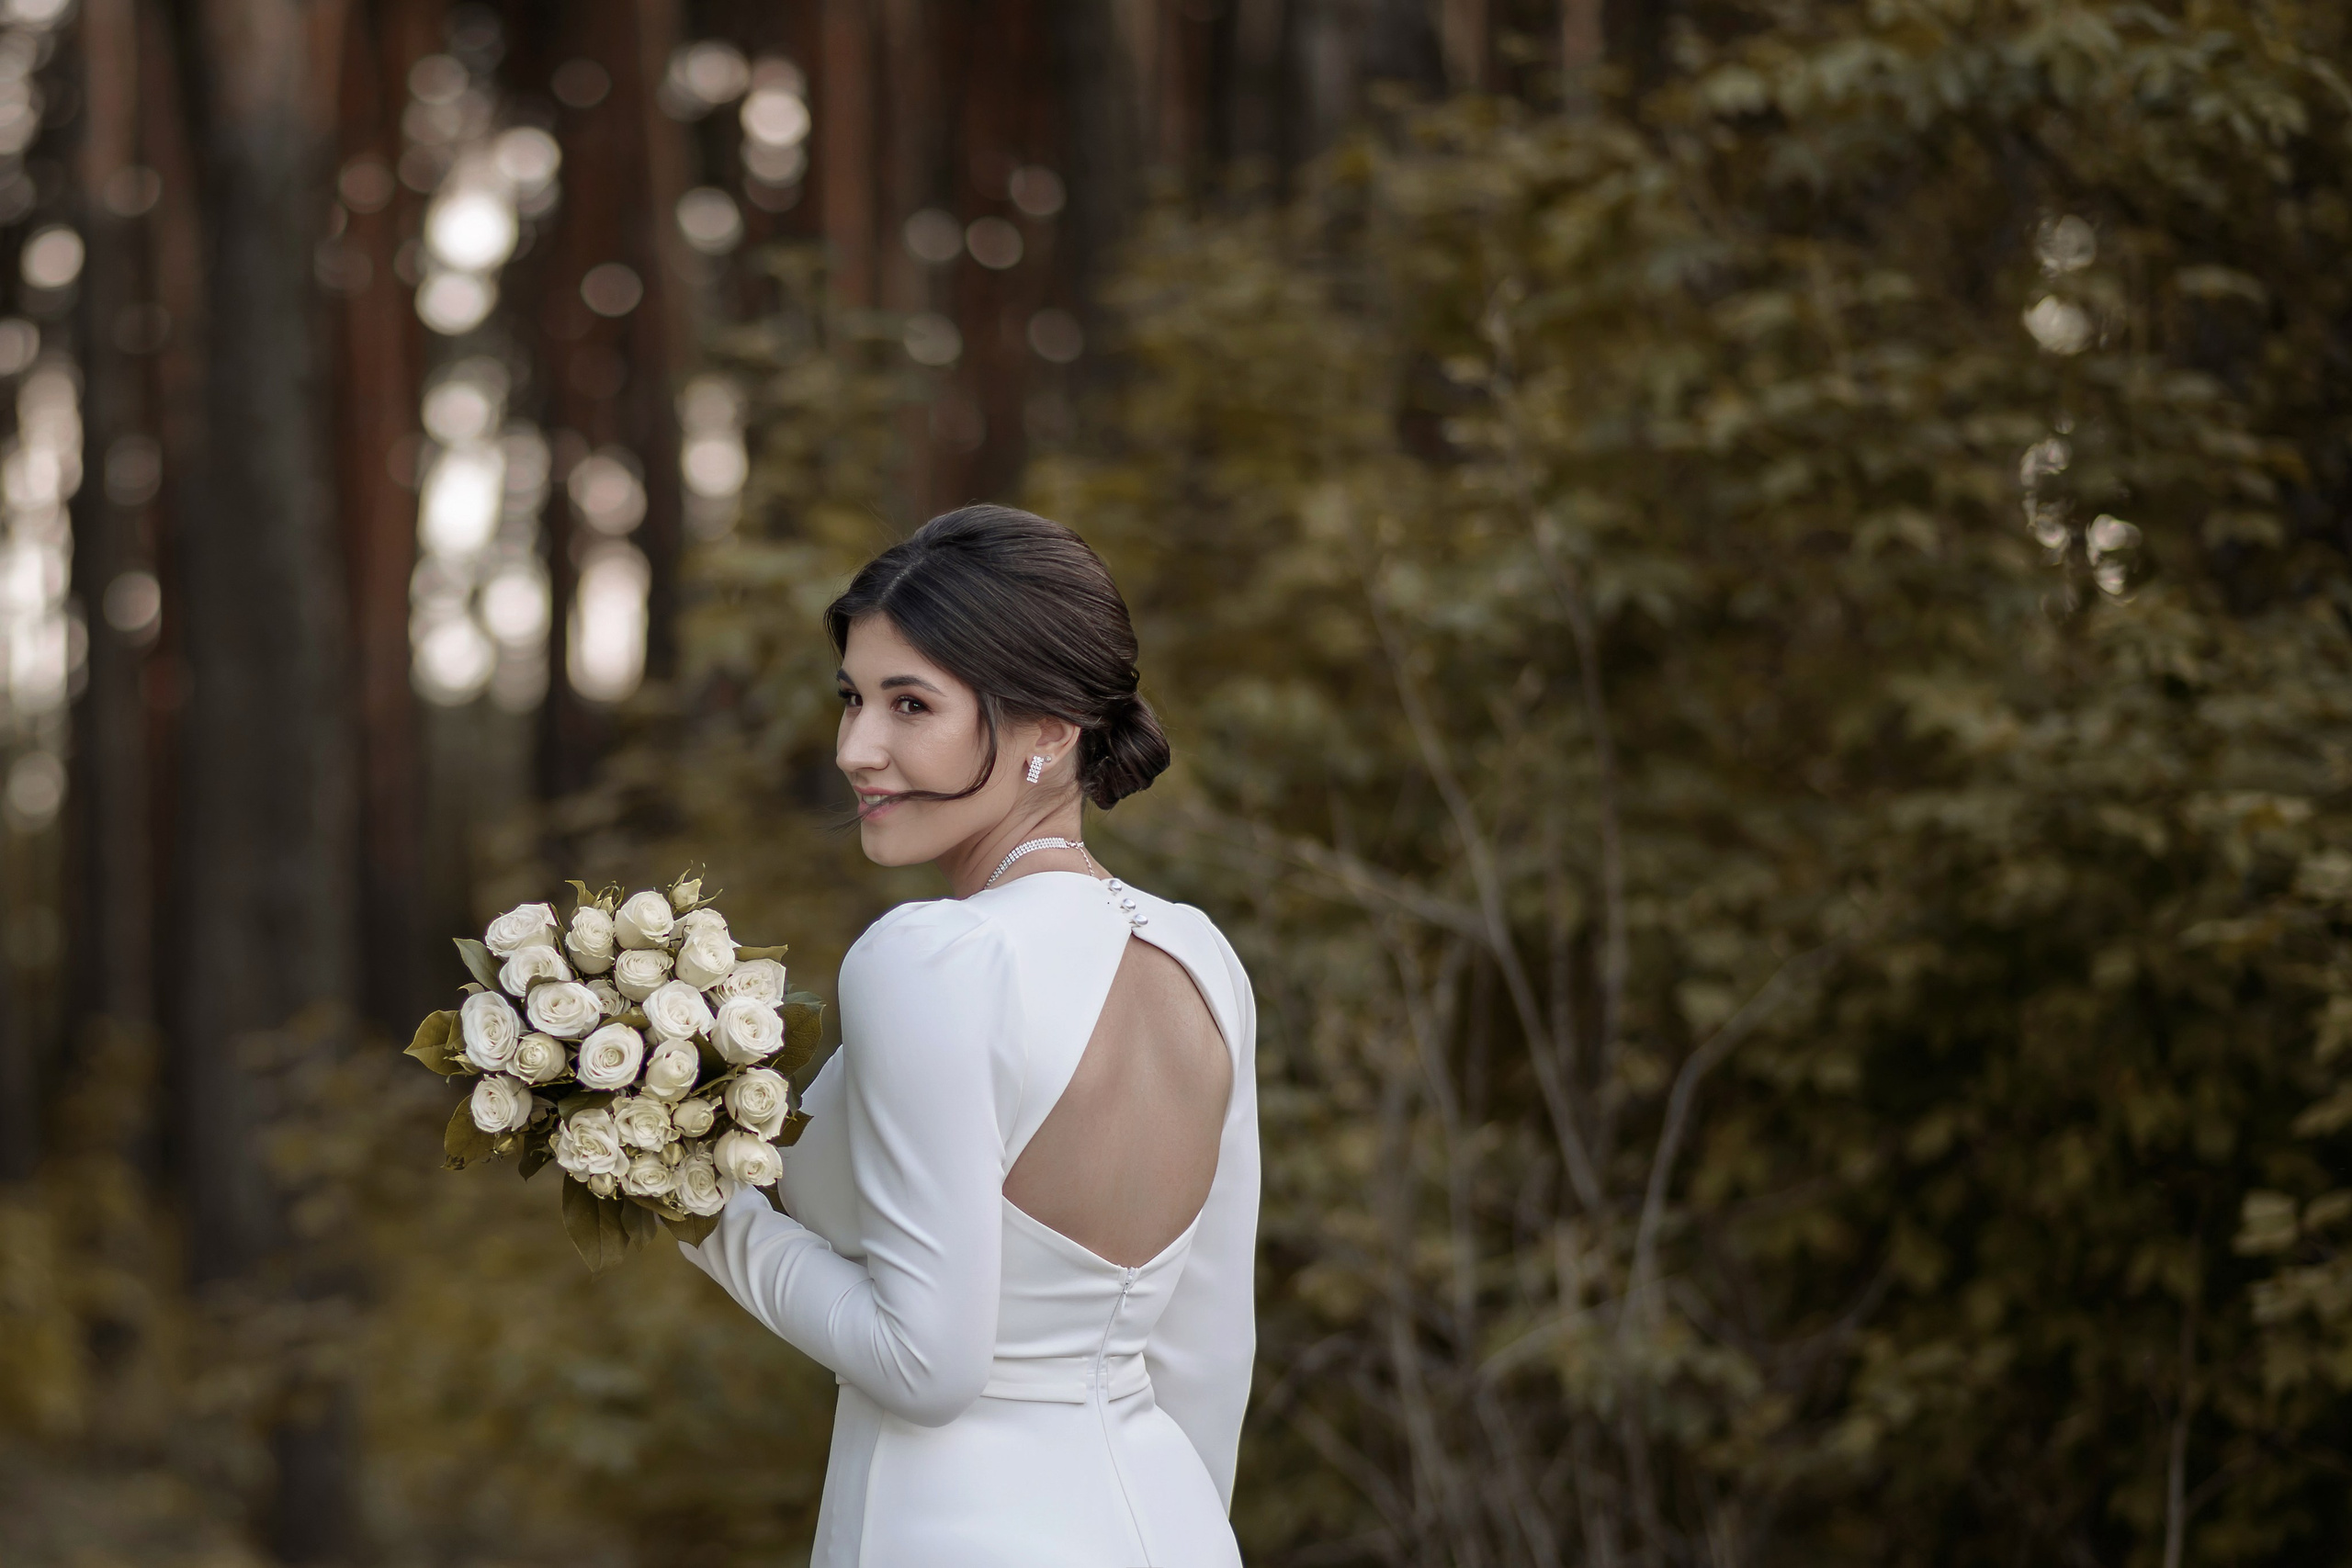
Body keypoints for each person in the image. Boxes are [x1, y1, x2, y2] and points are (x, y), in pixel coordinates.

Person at [681, 504, 1259, 1567]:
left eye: (912, 704)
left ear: (1050, 729)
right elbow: (1208, 1351)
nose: (857, 748)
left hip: (954, 1527)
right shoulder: (1201, 959)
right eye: (852, 699)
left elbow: (925, 1365)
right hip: (1171, 1521)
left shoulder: (933, 957)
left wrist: (702, 1214)